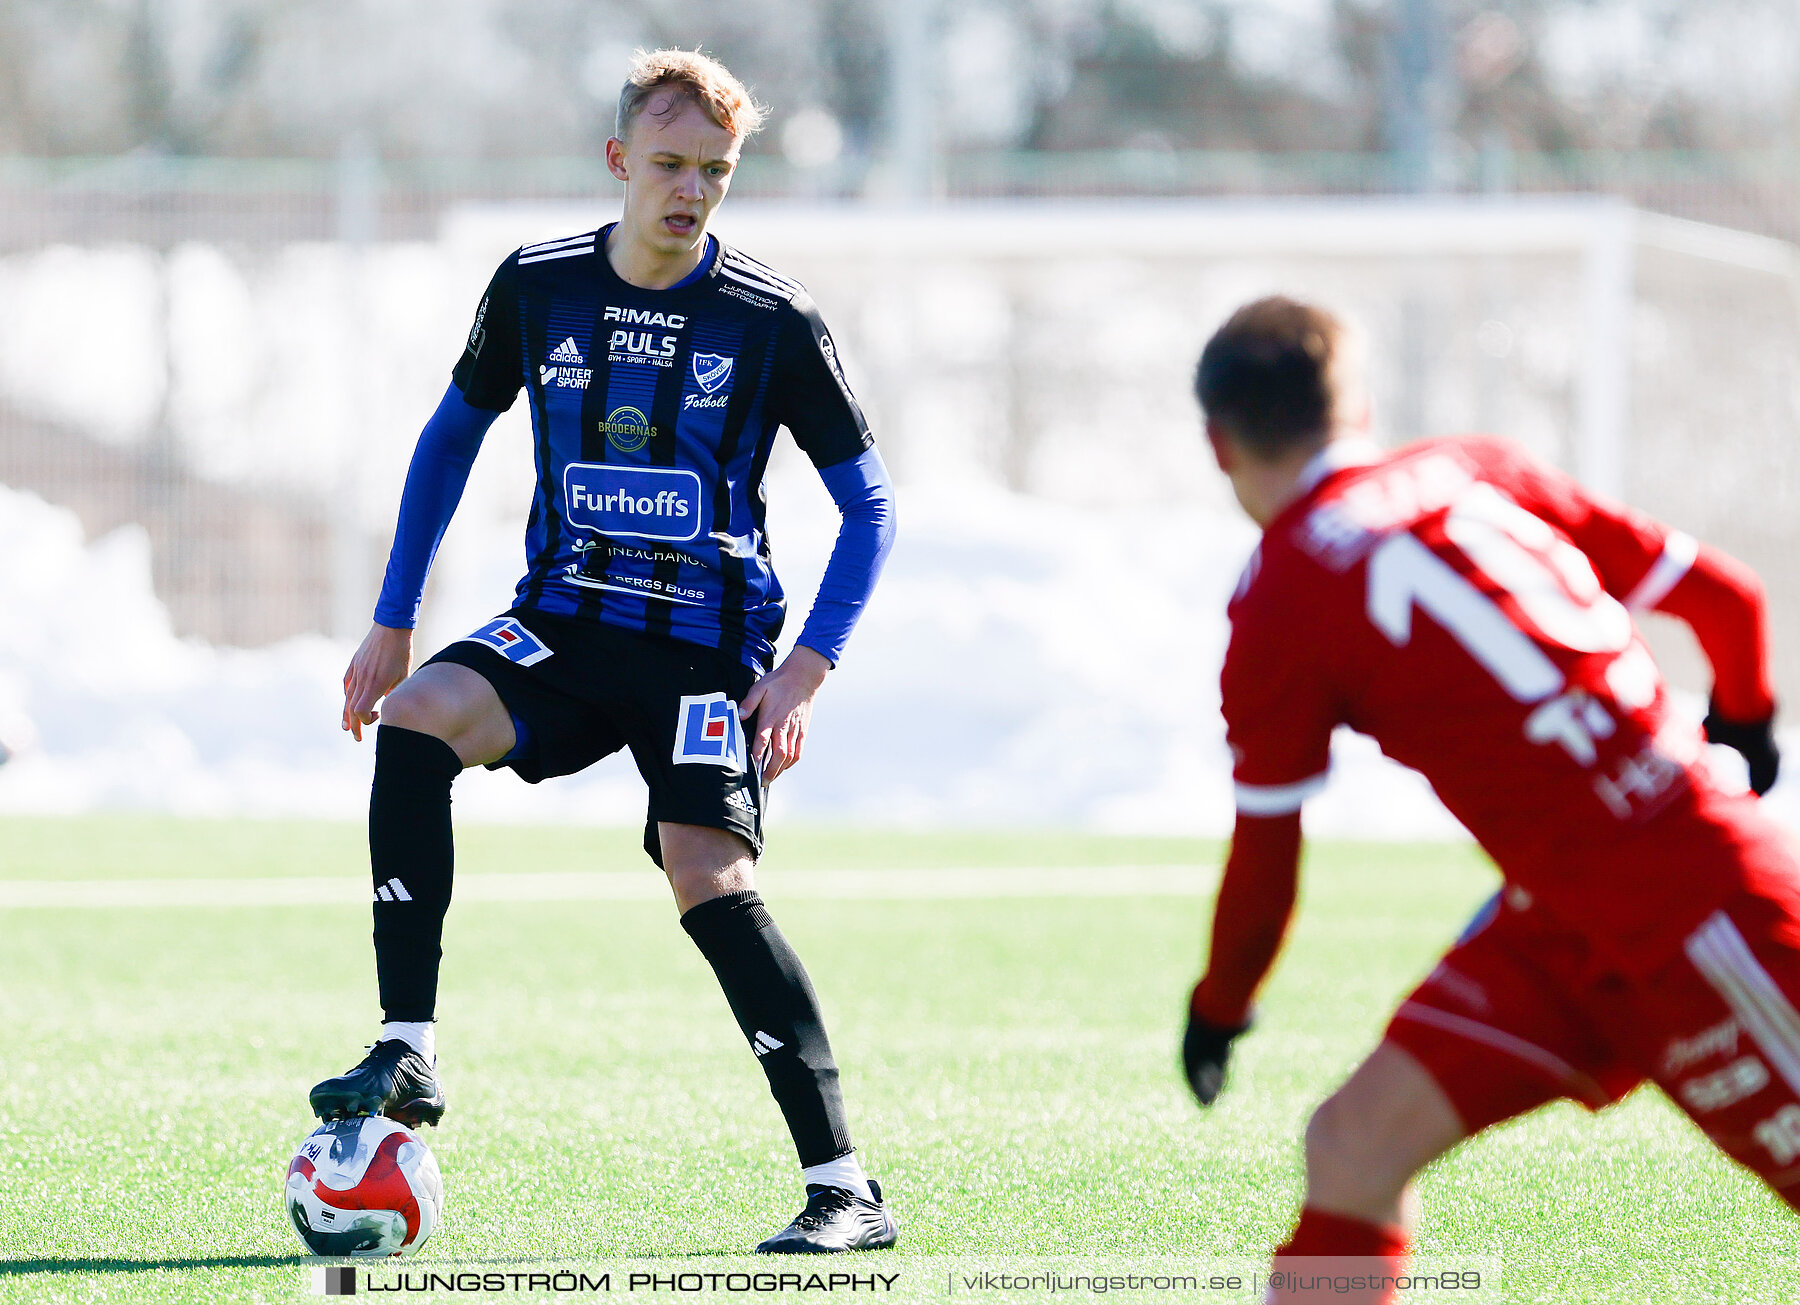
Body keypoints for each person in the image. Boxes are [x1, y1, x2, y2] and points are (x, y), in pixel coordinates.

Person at [308, 49, 899, 1255]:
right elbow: (449, 439)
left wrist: (806, 668)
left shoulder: (771, 318)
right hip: (565, 622)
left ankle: (844, 1187)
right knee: (418, 717)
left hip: (702, 651)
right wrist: (393, 614)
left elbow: (872, 506)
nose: (692, 192)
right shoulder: (538, 288)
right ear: (621, 159)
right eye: (672, 165)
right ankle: (408, 1051)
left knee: (706, 873)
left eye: (717, 174)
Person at [1180, 296, 1791, 1303]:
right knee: (1352, 1147)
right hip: (1569, 914)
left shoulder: (1277, 596)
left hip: (1695, 912)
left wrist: (1220, 1007)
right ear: (1357, 405)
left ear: (1217, 443)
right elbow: (1730, 601)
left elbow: (1268, 859)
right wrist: (1746, 726)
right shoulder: (1473, 469)